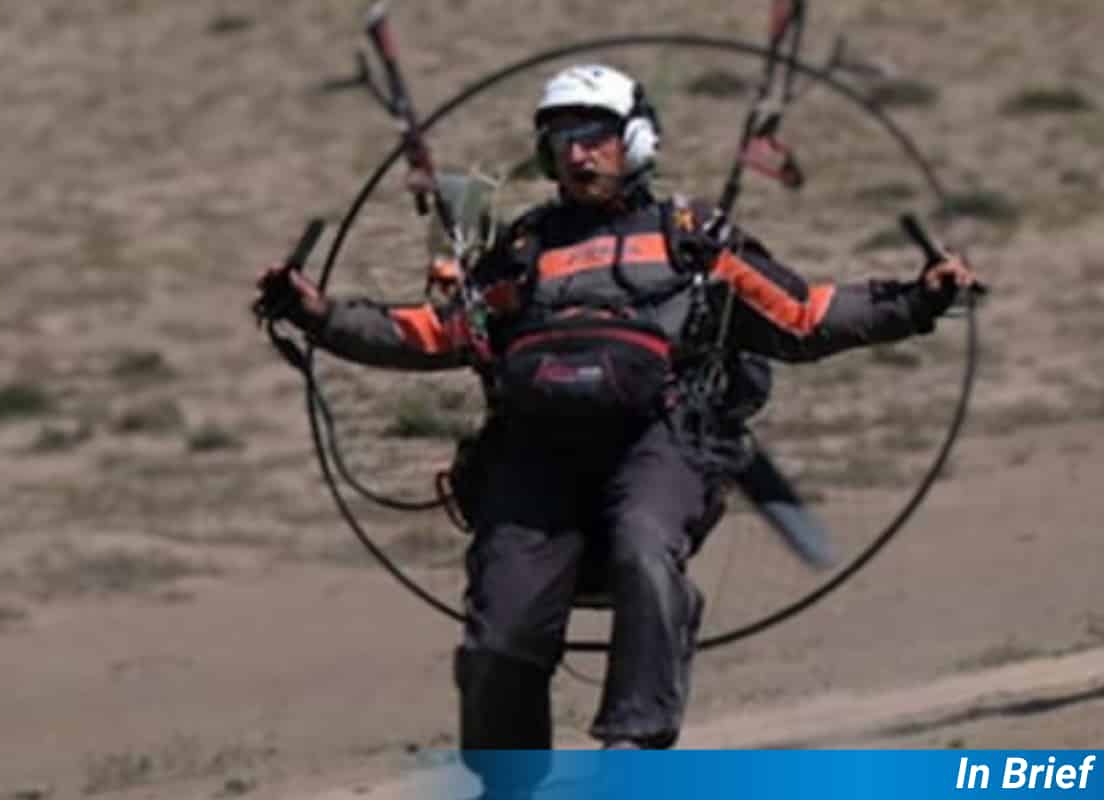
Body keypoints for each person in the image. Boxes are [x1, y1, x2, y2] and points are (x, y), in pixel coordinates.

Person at [256, 63, 980, 787]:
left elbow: (805, 316)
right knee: (501, 630)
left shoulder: (691, 237)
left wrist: (917, 300)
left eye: (595, 135)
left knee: (643, 544)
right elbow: (433, 332)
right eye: (563, 139)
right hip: (534, 456)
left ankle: (630, 755)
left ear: (634, 138)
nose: (578, 154)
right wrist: (317, 314)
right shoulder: (524, 249)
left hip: (660, 443)